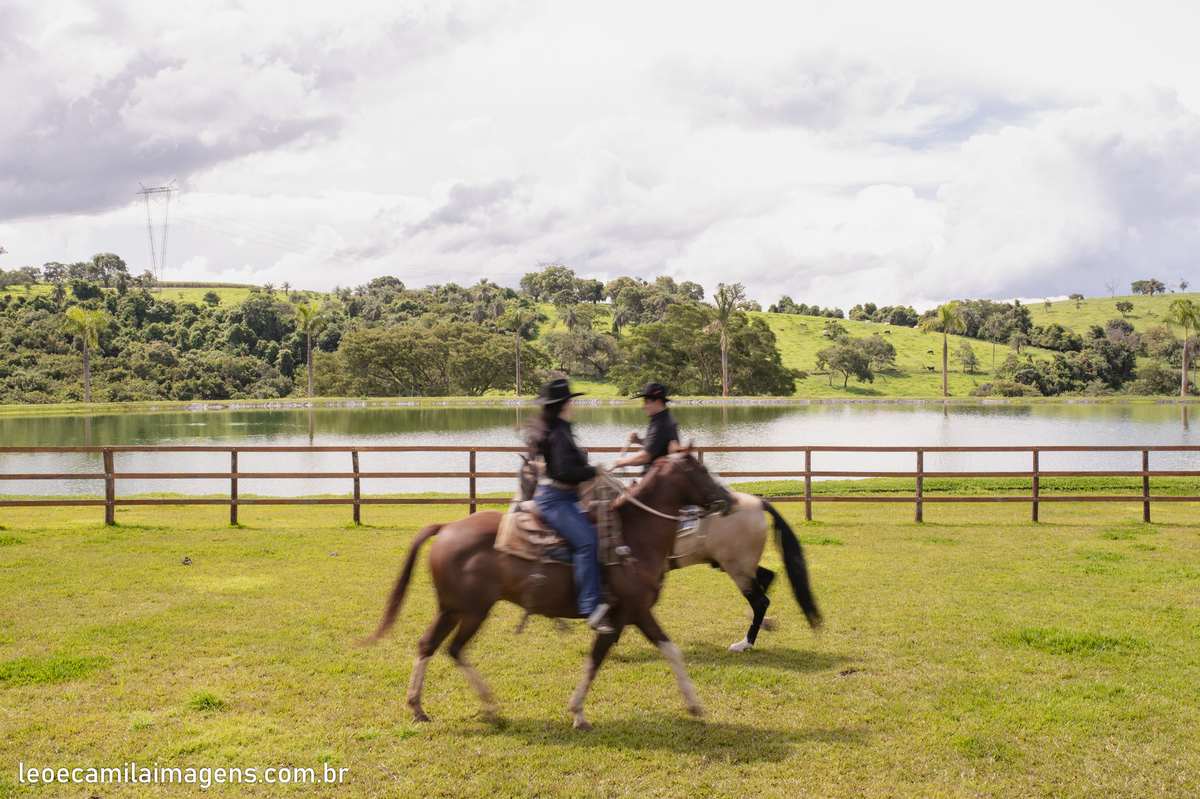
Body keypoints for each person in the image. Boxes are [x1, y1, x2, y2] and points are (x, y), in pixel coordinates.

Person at [525, 378, 614, 634]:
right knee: (587, 542)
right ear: (564, 404)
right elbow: (564, 471)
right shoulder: (559, 433)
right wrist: (593, 470)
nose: (573, 405)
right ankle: (591, 607)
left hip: (564, 497)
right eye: (570, 401)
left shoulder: (558, 428)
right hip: (555, 499)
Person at [613, 381, 679, 472]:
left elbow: (644, 457)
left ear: (658, 403)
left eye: (646, 402)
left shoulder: (661, 424)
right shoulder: (666, 419)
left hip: (656, 478)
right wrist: (638, 440)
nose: (643, 406)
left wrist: (622, 461)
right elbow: (657, 445)